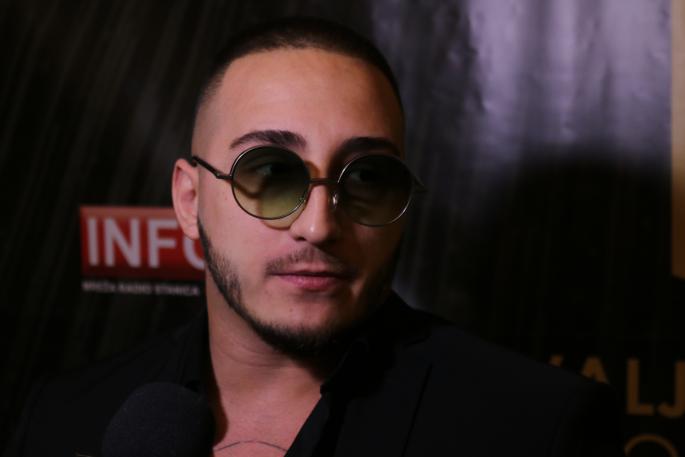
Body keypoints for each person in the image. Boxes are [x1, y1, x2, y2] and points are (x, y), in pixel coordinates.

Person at [7, 17, 624, 457]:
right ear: (190, 201)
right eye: (271, 174)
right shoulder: (65, 418)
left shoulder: (534, 429)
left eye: (368, 178)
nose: (319, 225)